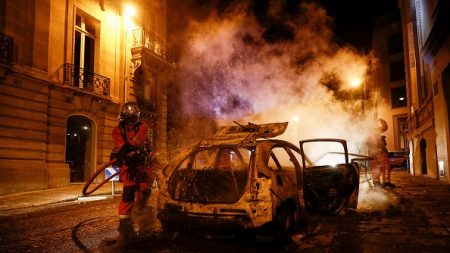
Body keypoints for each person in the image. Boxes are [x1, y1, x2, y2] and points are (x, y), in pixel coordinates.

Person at [112, 102, 155, 245]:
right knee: (128, 193)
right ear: (124, 117)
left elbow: (139, 139)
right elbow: (120, 144)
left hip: (142, 165)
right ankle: (125, 227)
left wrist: (131, 147)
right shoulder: (118, 130)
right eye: (129, 118)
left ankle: (142, 216)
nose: (132, 120)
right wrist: (124, 151)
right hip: (128, 167)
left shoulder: (142, 126)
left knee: (145, 191)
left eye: (134, 117)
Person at [368, 118, 395, 188]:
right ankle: (377, 182)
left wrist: (380, 120)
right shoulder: (367, 133)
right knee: (376, 168)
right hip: (374, 153)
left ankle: (386, 182)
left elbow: (385, 127)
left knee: (386, 167)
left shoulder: (376, 130)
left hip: (382, 152)